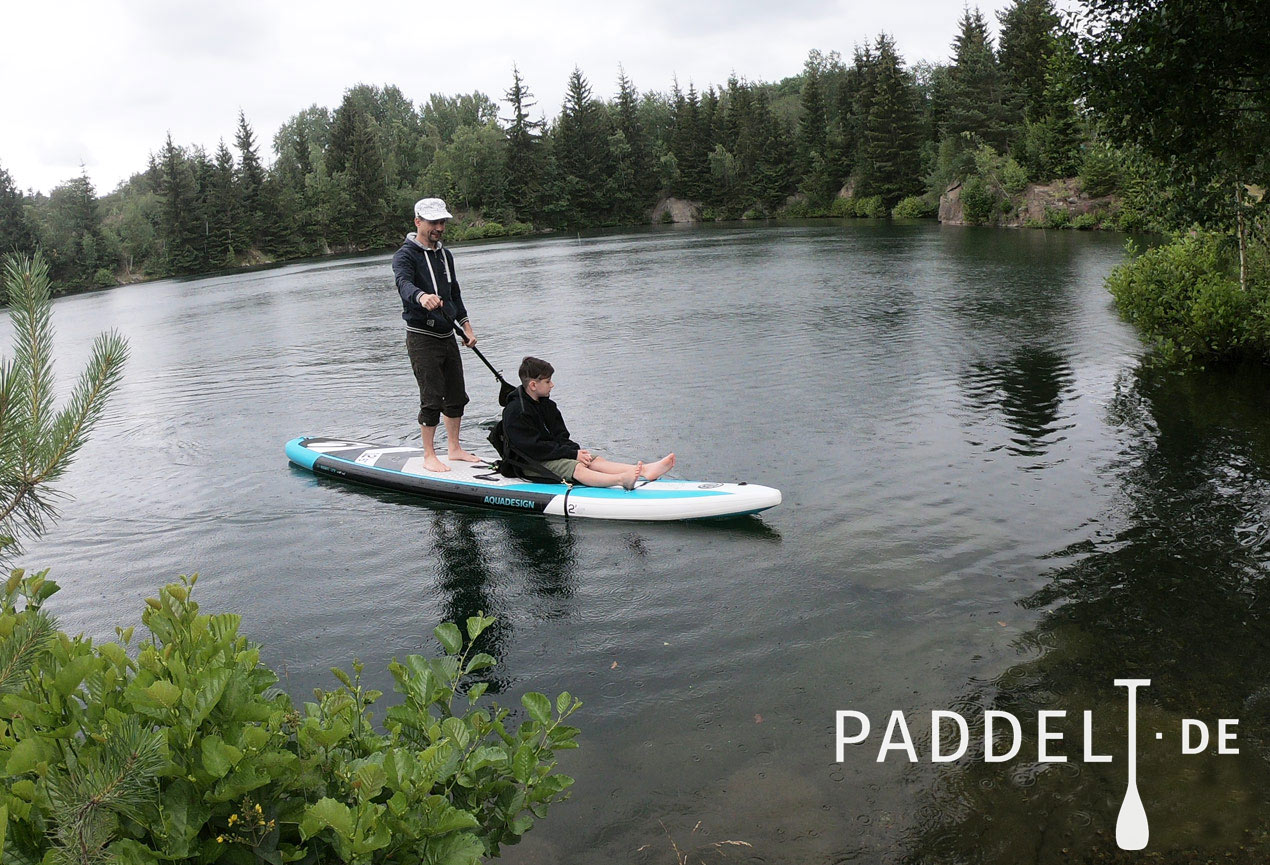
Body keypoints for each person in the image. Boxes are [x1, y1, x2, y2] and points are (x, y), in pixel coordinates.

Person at [392, 197, 480, 472]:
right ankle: (429, 454)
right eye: (433, 222)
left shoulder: (445, 255)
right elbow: (403, 284)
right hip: (421, 336)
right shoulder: (404, 255)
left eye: (442, 222)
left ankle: (454, 449)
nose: (439, 228)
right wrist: (421, 297)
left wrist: (466, 327)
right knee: (431, 398)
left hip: (447, 335)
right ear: (418, 222)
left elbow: (454, 293)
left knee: (456, 395)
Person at [501, 356, 675, 490]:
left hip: (549, 454)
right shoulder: (516, 411)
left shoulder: (548, 405)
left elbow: (561, 436)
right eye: (547, 381)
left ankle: (645, 470)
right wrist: (572, 456)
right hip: (529, 463)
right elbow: (533, 448)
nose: (552, 385)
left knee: (592, 459)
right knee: (576, 467)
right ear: (533, 385)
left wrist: (576, 451)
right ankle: (622, 479)